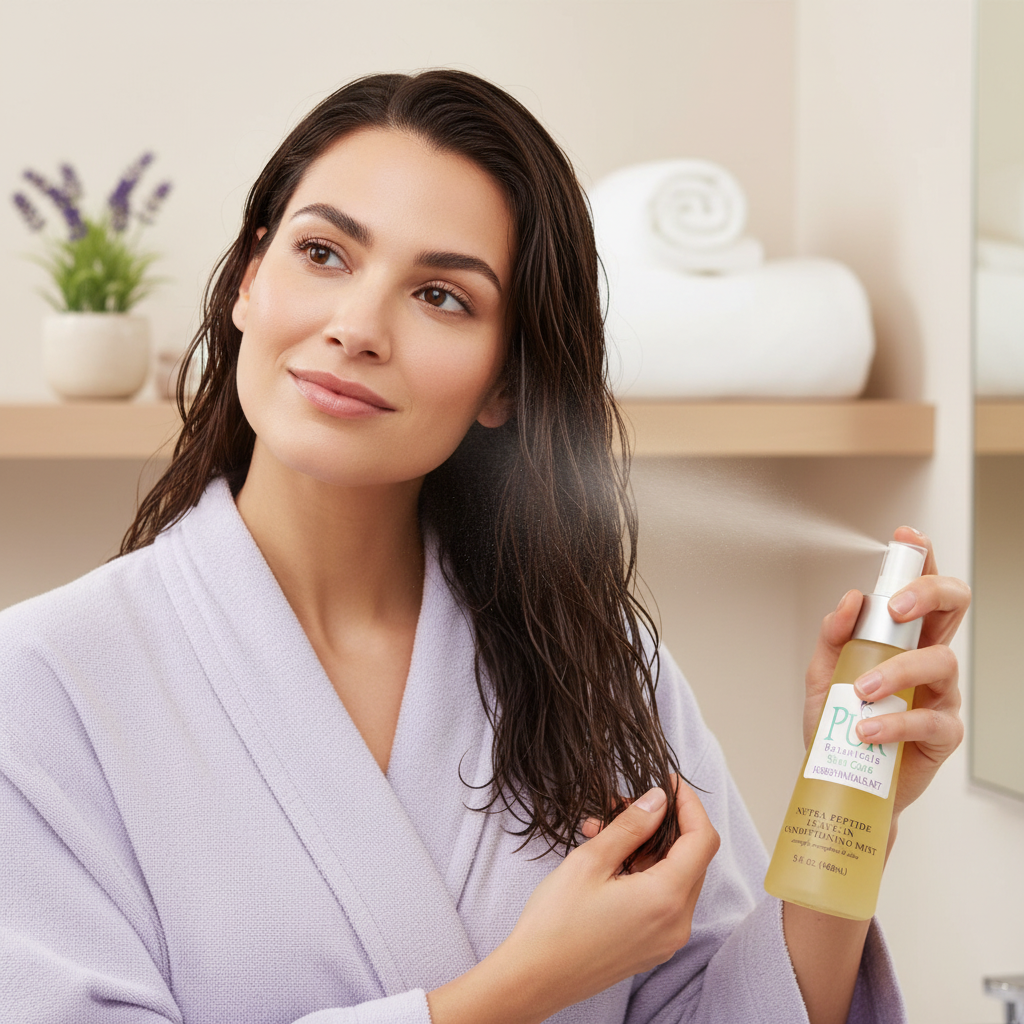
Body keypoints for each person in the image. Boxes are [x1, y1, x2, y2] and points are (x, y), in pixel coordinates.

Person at [0, 71, 968, 1024]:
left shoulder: (598, 668)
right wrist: (521, 988)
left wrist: (851, 799)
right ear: (251, 278)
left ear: (504, 383)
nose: (356, 328)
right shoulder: (42, 682)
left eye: (441, 296)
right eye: (324, 253)